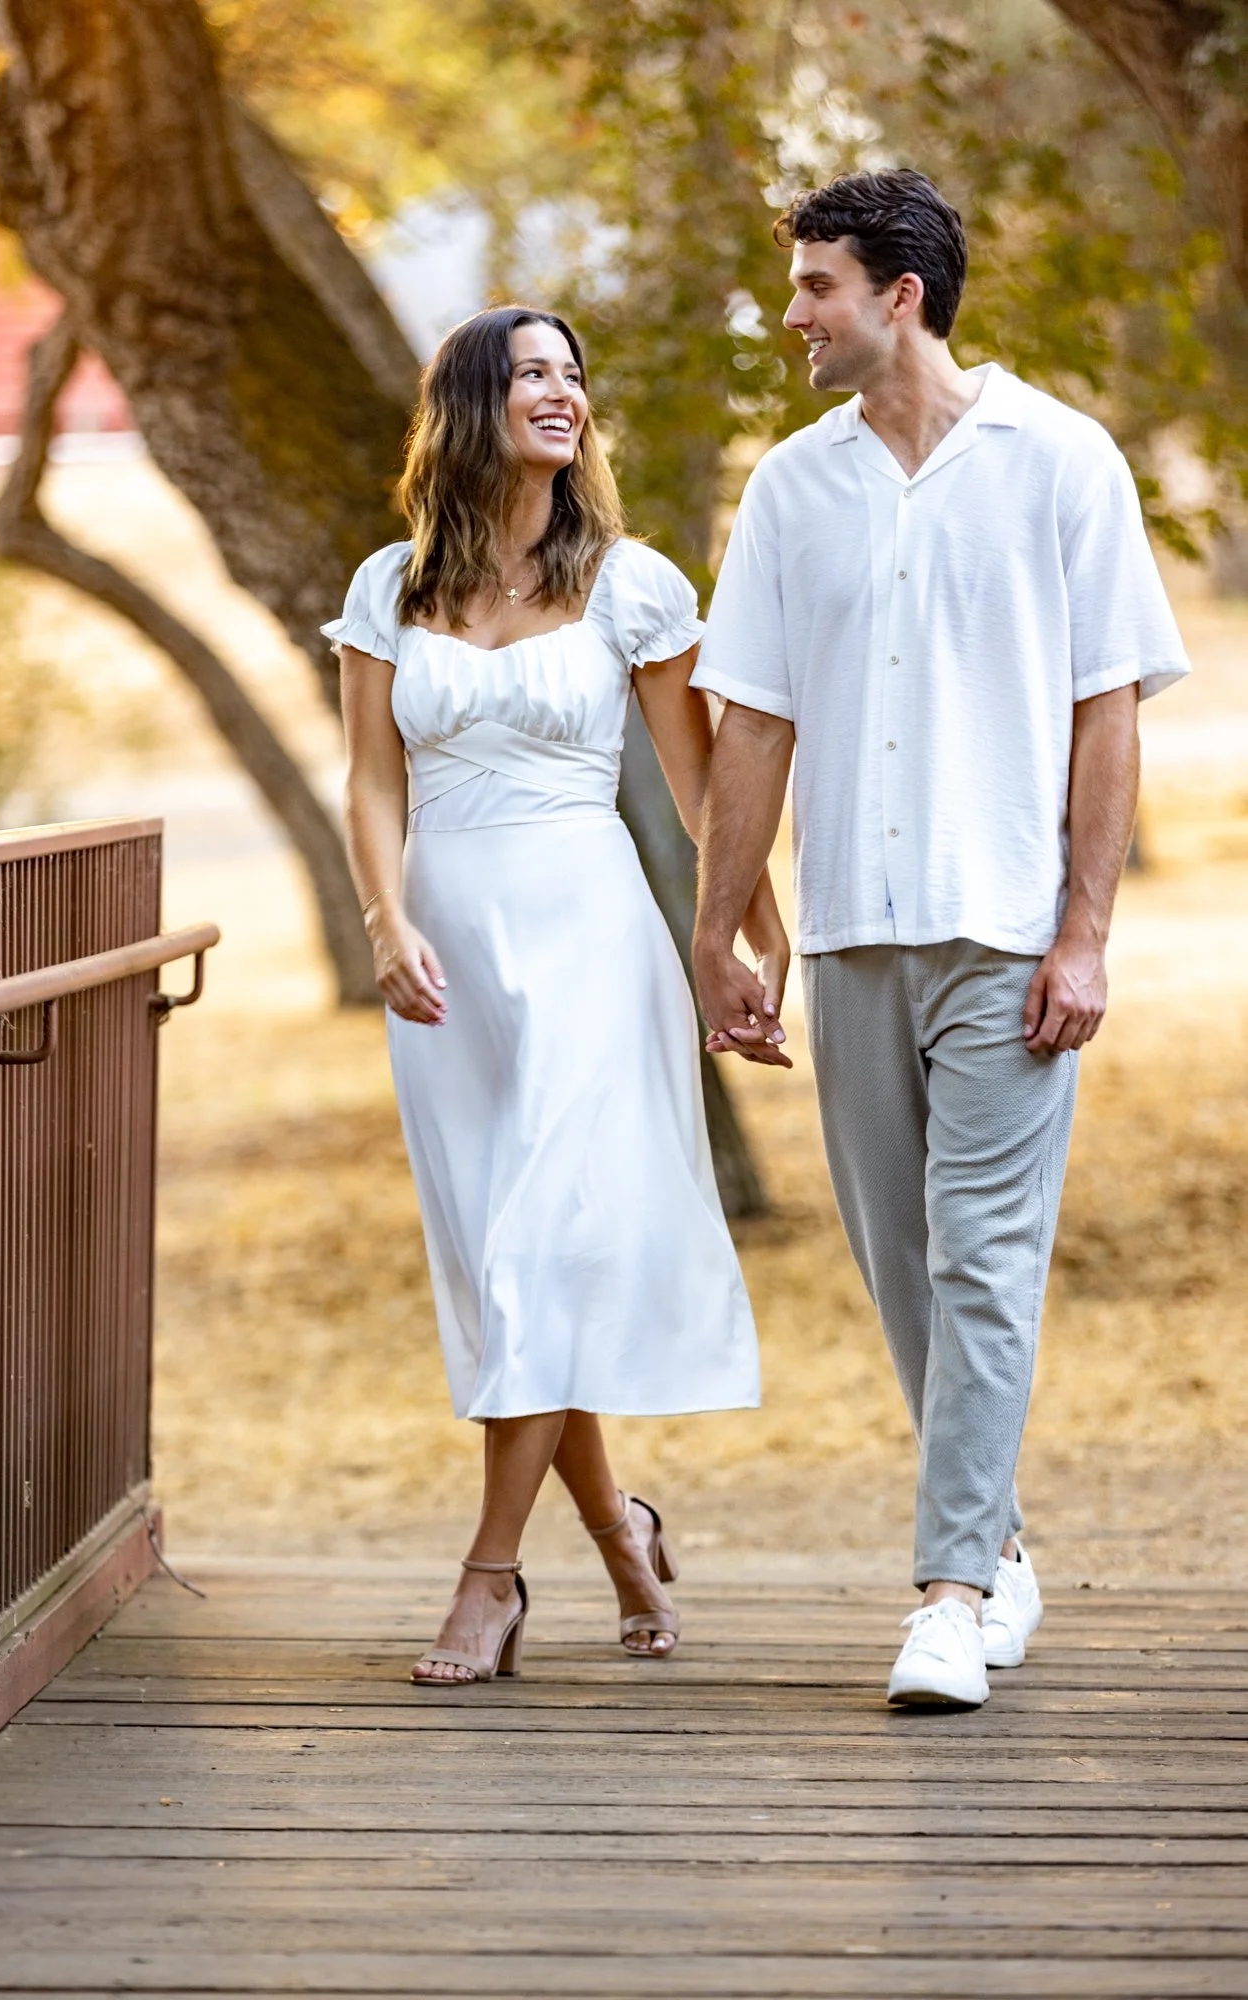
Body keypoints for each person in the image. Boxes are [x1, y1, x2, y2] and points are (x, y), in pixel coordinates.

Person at [690, 169, 1190, 1708]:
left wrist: (1084, 933)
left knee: (981, 1262)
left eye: (815, 288)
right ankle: (1000, 1541)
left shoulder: (1061, 463)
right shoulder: (790, 488)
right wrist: (719, 932)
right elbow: (752, 724)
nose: (792, 316)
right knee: (900, 1271)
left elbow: (1101, 710)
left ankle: (949, 1595)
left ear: (898, 295)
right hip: (849, 934)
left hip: (1001, 934)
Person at [326, 305, 785, 1686]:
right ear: (471, 403)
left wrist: (753, 936)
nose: (561, 393)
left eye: (572, 373)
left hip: (591, 939)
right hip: (449, 961)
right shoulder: (388, 587)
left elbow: (703, 790)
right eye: (530, 372)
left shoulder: (632, 583)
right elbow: (366, 780)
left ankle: (486, 1582)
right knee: (505, 1268)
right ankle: (619, 1530)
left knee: (539, 1250)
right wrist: (384, 920)